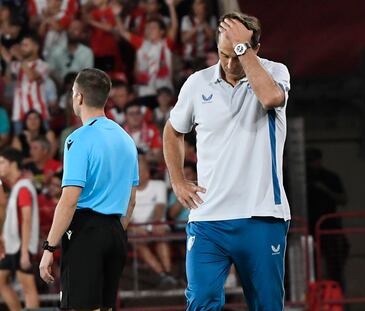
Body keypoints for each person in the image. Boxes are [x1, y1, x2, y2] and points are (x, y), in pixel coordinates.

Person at [163, 12, 291, 310]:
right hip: (208, 219)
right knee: (201, 302)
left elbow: (271, 98)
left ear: (254, 48)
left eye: (236, 54)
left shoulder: (275, 72)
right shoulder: (198, 83)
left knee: (268, 305)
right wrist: (178, 181)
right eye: (223, 54)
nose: (230, 64)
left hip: (261, 215)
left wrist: (242, 50)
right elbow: (172, 131)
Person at [39, 68, 139, 310]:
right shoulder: (126, 139)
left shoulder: (78, 138)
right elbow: (132, 200)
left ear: (79, 97)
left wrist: (49, 248)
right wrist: (112, 230)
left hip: (86, 231)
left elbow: (69, 199)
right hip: (116, 232)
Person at [0, 148, 39, 311]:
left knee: (28, 289)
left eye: (2, 162)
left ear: (13, 164)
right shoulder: (17, 186)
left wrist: (24, 252)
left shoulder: (23, 187)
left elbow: (27, 219)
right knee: (1, 281)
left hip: (21, 246)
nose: (0, 166)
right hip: (13, 245)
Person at [130, 154, 176, 288]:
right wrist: (134, 228)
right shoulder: (127, 190)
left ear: (147, 172)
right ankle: (164, 275)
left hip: (157, 225)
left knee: (161, 237)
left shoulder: (159, 185)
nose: (139, 174)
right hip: (137, 229)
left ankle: (167, 273)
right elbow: (126, 213)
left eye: (142, 170)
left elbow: (160, 208)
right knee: (138, 242)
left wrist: (151, 226)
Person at [306, 148, 349, 286]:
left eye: (315, 160)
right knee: (309, 266)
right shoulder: (302, 179)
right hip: (308, 228)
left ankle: (336, 296)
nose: (314, 164)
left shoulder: (330, 177)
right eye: (310, 161)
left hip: (329, 226)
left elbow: (343, 199)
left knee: (334, 265)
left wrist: (325, 190)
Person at [0, 33, 52, 133]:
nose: (22, 48)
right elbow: (7, 79)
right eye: (22, 45)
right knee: (21, 145)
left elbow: (32, 76)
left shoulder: (43, 65)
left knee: (42, 143)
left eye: (26, 45)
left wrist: (19, 57)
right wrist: (8, 61)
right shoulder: (18, 64)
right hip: (19, 114)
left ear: (36, 47)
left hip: (39, 113)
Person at [48, 19, 94, 85]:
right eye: (71, 28)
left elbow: (87, 76)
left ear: (82, 34)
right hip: (59, 88)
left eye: (76, 29)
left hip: (79, 89)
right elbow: (51, 71)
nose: (72, 31)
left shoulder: (87, 53)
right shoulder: (56, 50)